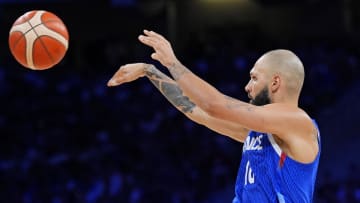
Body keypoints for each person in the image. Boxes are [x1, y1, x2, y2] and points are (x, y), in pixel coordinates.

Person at [107, 30, 321, 203]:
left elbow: (213, 105)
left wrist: (172, 62)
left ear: (275, 82)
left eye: (254, 78)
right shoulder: (262, 132)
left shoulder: (297, 122)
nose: (247, 87)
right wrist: (149, 71)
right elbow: (197, 110)